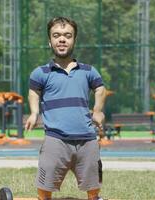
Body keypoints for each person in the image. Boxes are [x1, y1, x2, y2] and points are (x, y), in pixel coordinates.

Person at [25, 16, 106, 200]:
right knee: (45, 188)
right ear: (50, 41)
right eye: (57, 35)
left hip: (87, 139)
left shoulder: (88, 71)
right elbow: (33, 92)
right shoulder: (41, 73)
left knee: (93, 188)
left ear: (74, 40)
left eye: (67, 35)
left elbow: (100, 89)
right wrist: (34, 112)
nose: (62, 39)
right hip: (56, 139)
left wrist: (98, 110)